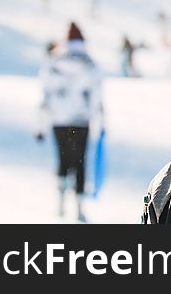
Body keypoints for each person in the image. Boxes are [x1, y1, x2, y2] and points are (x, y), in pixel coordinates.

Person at [36, 22, 104, 222]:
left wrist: (40, 125)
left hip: (59, 120)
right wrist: (101, 124)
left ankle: (60, 203)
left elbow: (45, 96)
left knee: (63, 160)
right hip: (81, 120)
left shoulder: (53, 62)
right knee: (80, 162)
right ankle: (80, 207)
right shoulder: (90, 64)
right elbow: (96, 99)